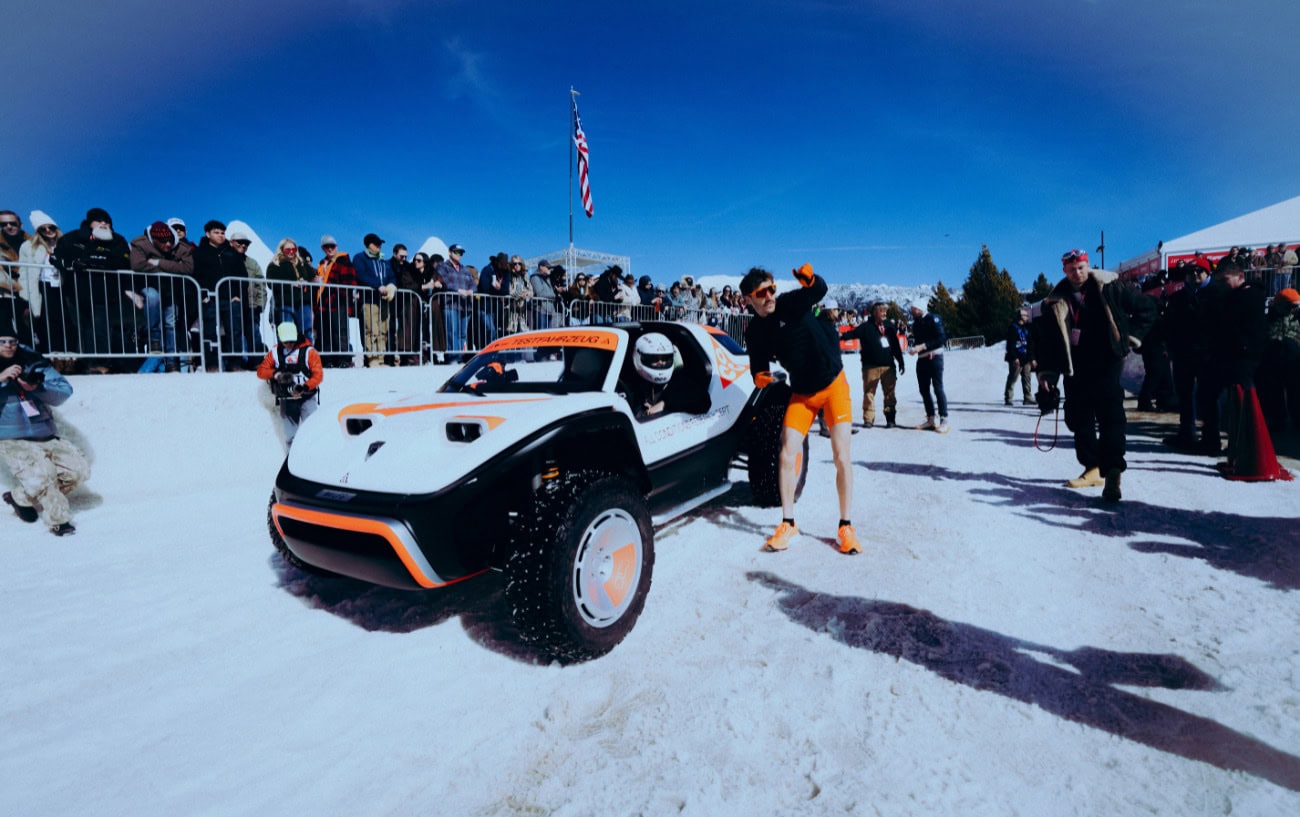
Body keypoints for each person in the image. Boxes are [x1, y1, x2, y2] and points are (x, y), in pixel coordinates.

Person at [741, 263, 860, 555]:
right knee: (785, 453)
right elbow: (758, 364)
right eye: (762, 292)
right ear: (748, 299)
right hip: (803, 394)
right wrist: (759, 376)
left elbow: (819, 290)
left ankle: (845, 526)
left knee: (842, 456)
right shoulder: (755, 330)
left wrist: (810, 279)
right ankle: (788, 522)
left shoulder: (790, 303)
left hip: (834, 387)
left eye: (771, 289)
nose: (769, 296)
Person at [1030, 249, 1156, 501]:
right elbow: (1049, 343)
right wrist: (1048, 374)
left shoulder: (1110, 287)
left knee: (1111, 418)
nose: (1077, 273)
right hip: (1075, 367)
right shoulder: (1055, 300)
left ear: (1088, 266)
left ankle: (1112, 473)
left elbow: (1148, 308)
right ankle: (1092, 468)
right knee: (1079, 419)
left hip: (1106, 362)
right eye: (1071, 269)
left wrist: (1130, 340)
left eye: (1081, 267)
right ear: (1064, 270)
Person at [0, 309, 90, 536]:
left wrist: (36, 388)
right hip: (11, 438)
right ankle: (60, 522)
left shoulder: (32, 361)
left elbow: (64, 391)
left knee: (78, 472)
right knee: (44, 476)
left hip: (44, 433)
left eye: (13, 341)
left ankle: (20, 497)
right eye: (2, 341)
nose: (9, 345)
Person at [51, 208, 133, 371]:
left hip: (106, 293)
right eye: (98, 220)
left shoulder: (117, 240)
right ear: (89, 223)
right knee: (81, 326)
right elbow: (58, 258)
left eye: (107, 221)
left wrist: (88, 262)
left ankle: (101, 363)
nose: (103, 223)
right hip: (75, 291)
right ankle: (85, 363)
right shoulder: (72, 238)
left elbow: (122, 262)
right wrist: (75, 263)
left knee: (100, 325)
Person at [129, 221, 194, 373]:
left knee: (170, 323)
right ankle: (154, 340)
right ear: (154, 240)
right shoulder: (141, 243)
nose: (168, 244)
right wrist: (171, 269)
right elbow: (138, 265)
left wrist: (159, 262)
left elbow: (187, 268)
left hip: (170, 290)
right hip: (149, 286)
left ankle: (172, 363)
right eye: (163, 242)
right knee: (152, 298)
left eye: (170, 241)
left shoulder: (181, 247)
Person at [191, 220, 249, 371]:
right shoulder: (199, 253)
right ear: (208, 234)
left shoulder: (232, 254)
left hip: (230, 298)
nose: (220, 236)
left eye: (223, 233)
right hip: (209, 298)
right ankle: (211, 364)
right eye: (216, 232)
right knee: (209, 331)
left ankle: (235, 363)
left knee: (234, 330)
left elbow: (242, 276)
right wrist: (203, 295)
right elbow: (195, 276)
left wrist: (237, 294)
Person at [256, 320, 323, 448]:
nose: (289, 345)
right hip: (286, 400)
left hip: (307, 397)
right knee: (290, 437)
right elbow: (261, 371)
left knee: (314, 430)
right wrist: (277, 374)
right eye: (286, 342)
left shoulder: (310, 352)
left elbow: (318, 375)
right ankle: (290, 462)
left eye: (292, 341)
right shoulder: (275, 353)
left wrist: (305, 386)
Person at [844, 301, 905, 428]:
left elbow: (895, 345)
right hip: (870, 367)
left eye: (885, 310)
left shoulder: (889, 326)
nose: (884, 312)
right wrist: (833, 336)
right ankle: (868, 419)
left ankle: (890, 419)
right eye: (881, 310)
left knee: (890, 394)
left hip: (888, 366)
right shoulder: (865, 327)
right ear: (874, 312)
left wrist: (900, 361)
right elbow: (851, 334)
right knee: (869, 393)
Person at [18, 211, 66, 355]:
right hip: (42, 287)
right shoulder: (29, 246)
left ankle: (68, 357)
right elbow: (24, 272)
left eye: (50, 227)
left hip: (64, 287)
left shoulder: (65, 244)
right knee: (46, 322)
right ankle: (51, 355)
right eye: (43, 229)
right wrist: (25, 295)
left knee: (66, 322)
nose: (48, 231)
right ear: (38, 231)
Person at [352, 233, 396, 367]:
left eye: (380, 244)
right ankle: (372, 358)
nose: (379, 247)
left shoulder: (383, 260)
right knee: (371, 329)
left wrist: (391, 285)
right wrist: (378, 286)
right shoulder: (360, 258)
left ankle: (381, 358)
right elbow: (361, 275)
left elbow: (391, 275)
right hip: (369, 299)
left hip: (383, 300)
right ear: (368, 245)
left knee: (383, 329)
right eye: (376, 244)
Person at [907, 301, 951, 432]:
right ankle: (931, 418)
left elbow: (941, 338)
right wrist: (915, 348)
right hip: (921, 358)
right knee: (924, 389)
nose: (911, 311)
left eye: (913, 308)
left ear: (920, 308)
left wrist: (923, 346)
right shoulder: (916, 323)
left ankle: (944, 419)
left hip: (934, 356)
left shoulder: (933, 319)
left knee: (938, 388)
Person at [315, 236, 358, 367]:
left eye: (332, 246)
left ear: (336, 247)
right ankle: (328, 359)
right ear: (323, 248)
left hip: (338, 299)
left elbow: (349, 280)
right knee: (325, 330)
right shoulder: (321, 263)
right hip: (324, 301)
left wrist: (347, 294)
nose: (330, 249)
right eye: (327, 246)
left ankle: (344, 359)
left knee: (340, 329)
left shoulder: (343, 260)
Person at [1003, 307, 1033, 406]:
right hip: (1016, 357)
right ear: (1020, 316)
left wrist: (1031, 357)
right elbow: (1010, 345)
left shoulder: (1026, 328)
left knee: (1027, 378)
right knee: (1013, 377)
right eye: (1025, 315)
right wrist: (1014, 357)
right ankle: (1008, 397)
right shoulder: (1013, 328)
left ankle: (1027, 397)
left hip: (1025, 357)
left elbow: (1030, 343)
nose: (1027, 317)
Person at [529, 259, 559, 330]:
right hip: (540, 310)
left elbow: (550, 290)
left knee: (548, 333)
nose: (549, 269)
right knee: (540, 332)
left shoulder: (548, 278)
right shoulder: (535, 277)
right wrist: (554, 295)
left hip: (549, 309)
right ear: (541, 267)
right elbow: (540, 293)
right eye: (547, 267)